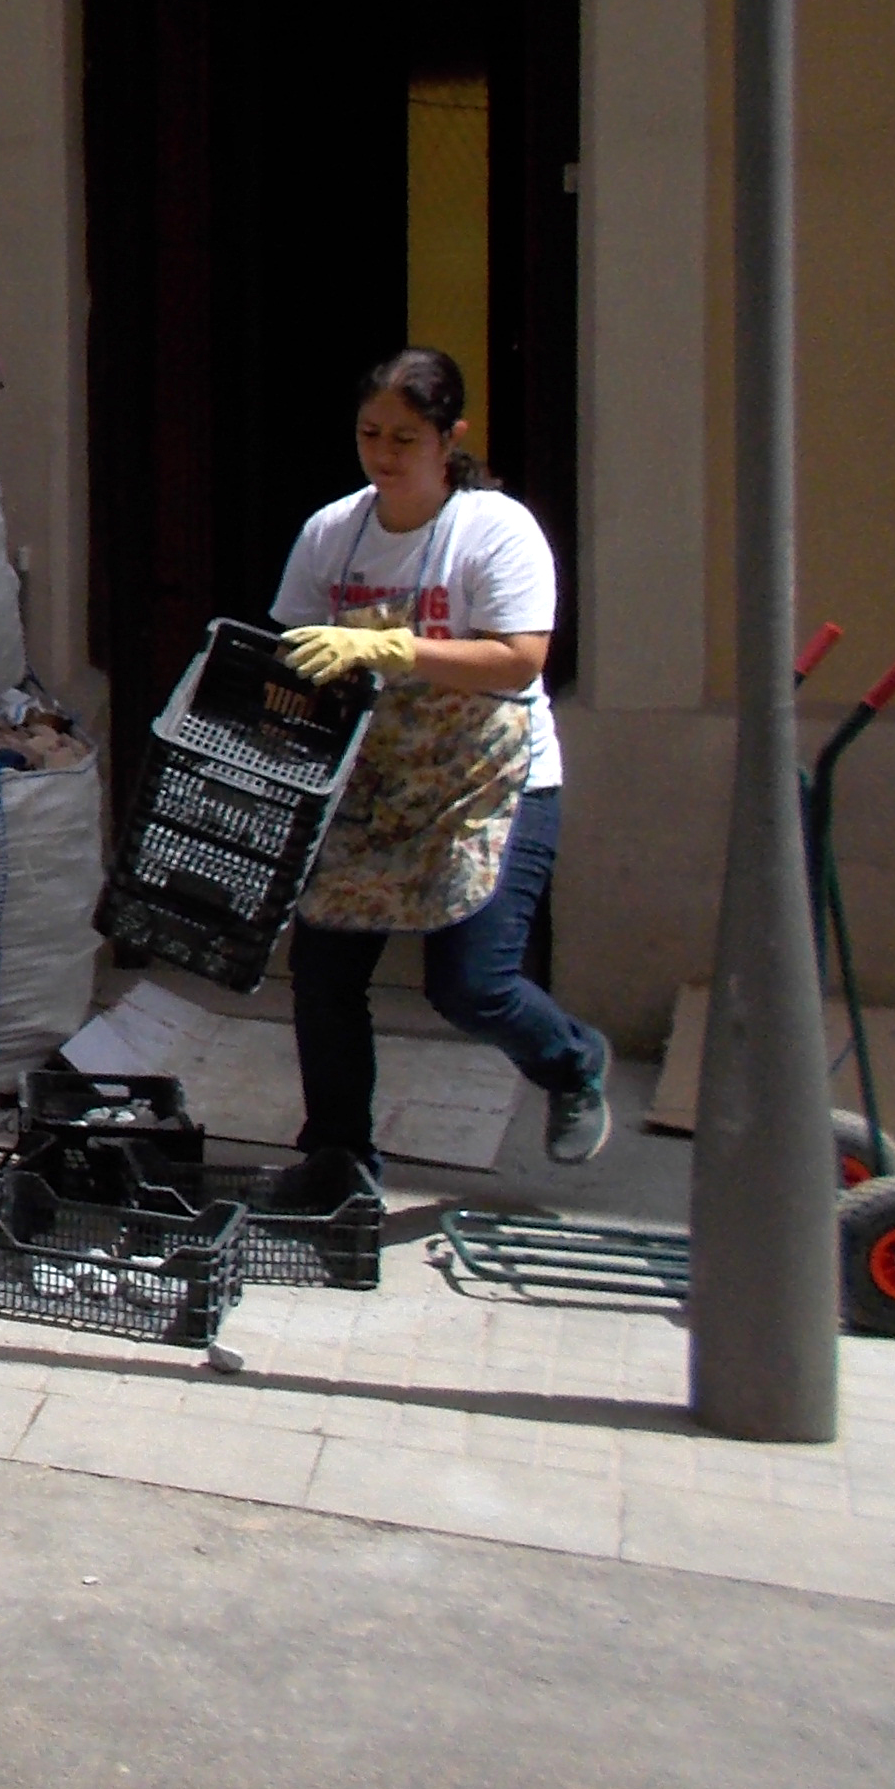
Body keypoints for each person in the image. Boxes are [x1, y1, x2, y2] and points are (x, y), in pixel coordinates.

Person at [272, 347, 609, 1200]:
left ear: (450, 437)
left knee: (472, 984)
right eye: (369, 435)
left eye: (406, 438)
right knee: (325, 973)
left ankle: (573, 1063)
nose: (384, 456)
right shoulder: (331, 534)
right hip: (373, 786)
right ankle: (338, 1155)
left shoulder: (495, 531)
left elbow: (520, 660)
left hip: (489, 783)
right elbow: (287, 651)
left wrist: (397, 646)